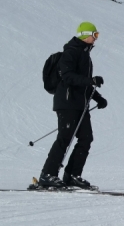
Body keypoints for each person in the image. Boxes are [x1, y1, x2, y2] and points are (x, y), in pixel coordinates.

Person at [38, 22, 107, 189]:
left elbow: (84, 83)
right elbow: (68, 77)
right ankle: (48, 174)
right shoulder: (71, 52)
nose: (96, 38)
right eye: (94, 35)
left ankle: (72, 175)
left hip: (80, 105)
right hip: (67, 103)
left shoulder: (85, 55)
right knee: (64, 138)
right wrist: (91, 80)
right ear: (85, 34)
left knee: (86, 138)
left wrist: (98, 97)